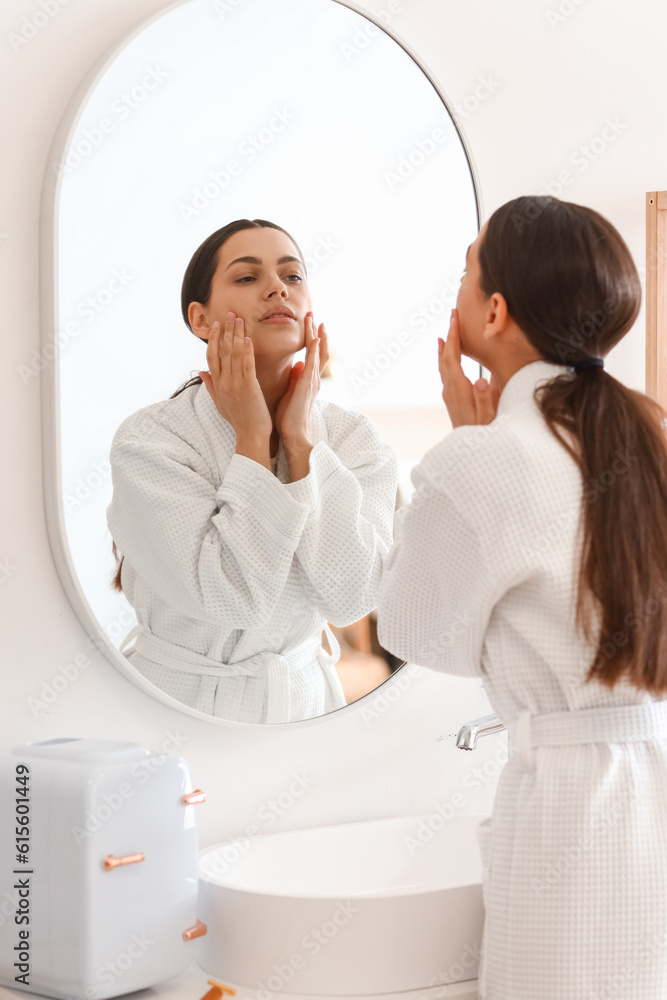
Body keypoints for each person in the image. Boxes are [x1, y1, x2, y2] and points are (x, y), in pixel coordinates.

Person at [377, 196, 667, 999]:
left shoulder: (484, 462)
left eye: (465, 278)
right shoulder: (648, 436)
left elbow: (412, 631)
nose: (460, 295)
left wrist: (465, 446)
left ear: (495, 310)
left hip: (573, 818)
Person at [107, 219, 398, 724]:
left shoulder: (354, 440)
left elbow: (352, 598)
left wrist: (302, 444)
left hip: (303, 710)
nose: (277, 288)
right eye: (247, 278)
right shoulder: (151, 441)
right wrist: (251, 441)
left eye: (293, 276)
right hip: (176, 712)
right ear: (200, 319)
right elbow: (231, 598)